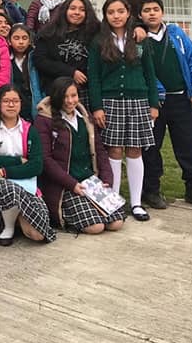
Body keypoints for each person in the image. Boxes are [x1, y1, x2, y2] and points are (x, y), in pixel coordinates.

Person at [88, 0, 159, 222]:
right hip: (110, 103)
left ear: (128, 13)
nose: (116, 16)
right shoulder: (98, 42)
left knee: (135, 150)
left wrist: (153, 103)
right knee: (115, 150)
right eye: (111, 12)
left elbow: (150, 73)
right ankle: (115, 200)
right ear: (105, 15)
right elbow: (94, 78)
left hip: (138, 101)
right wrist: (97, 107)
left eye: (120, 11)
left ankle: (136, 203)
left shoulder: (140, 40)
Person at [138, 0, 192, 210]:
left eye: (155, 9)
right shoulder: (138, 39)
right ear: (140, 15)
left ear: (162, 12)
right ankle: (151, 190)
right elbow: (141, 70)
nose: (151, 13)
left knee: (188, 146)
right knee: (150, 148)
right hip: (155, 103)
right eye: (146, 10)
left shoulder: (177, 34)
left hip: (183, 100)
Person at [35, 77, 125, 234]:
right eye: (65, 96)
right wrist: (72, 184)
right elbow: (46, 160)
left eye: (74, 95)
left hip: (90, 182)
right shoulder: (44, 121)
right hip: (65, 186)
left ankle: (92, 211)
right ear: (56, 97)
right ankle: (66, 217)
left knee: (116, 223)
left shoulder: (85, 117)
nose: (70, 101)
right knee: (96, 227)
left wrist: (106, 180)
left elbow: (100, 151)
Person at [0, 85, 55, 246]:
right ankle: (8, 227)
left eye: (15, 101)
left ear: (21, 104)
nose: (11, 105)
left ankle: (18, 217)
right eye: (6, 101)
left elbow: (36, 166)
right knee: (8, 188)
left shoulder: (29, 130)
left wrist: (3, 171)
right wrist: (18, 161)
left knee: (39, 234)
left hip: (27, 187)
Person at [33, 0, 100, 108]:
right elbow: (40, 60)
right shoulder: (49, 33)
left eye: (82, 10)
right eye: (72, 8)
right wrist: (71, 72)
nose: (77, 12)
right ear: (65, 10)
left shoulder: (95, 32)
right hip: (57, 91)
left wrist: (139, 28)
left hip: (86, 93)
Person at [8, 24, 41, 121]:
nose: (21, 42)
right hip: (14, 106)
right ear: (9, 41)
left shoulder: (35, 58)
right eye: (16, 38)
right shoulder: (6, 60)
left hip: (34, 105)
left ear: (30, 41)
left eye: (24, 38)